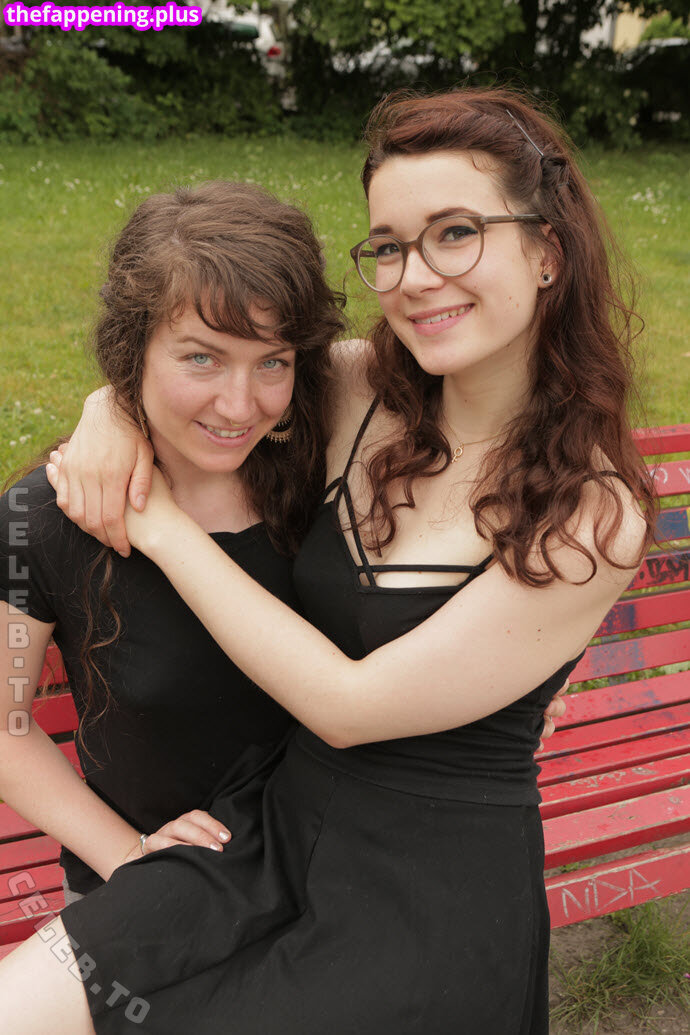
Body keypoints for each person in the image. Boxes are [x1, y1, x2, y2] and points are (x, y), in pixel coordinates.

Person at [0, 86, 654, 1034]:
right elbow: (215, 364)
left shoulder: (592, 511)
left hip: (428, 884)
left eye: (456, 233)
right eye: (389, 245)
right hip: (272, 825)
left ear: (547, 250)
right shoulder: (358, 388)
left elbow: (350, 707)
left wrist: (160, 526)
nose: (416, 276)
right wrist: (109, 413)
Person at [0, 181, 345, 905]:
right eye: (202, 358)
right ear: (134, 346)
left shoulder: (328, 480)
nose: (239, 404)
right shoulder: (43, 517)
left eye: (272, 361)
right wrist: (129, 856)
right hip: (153, 893)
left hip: (331, 874)